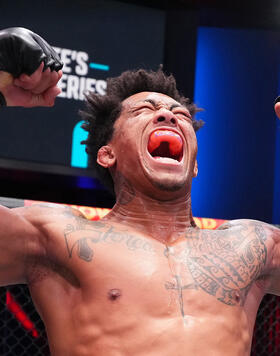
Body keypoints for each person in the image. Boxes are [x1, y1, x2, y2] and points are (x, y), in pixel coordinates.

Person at [0, 27, 279, 356]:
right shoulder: (56, 237)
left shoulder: (251, 245)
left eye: (180, 115)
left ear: (194, 165)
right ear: (108, 154)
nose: (167, 115)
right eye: (143, 111)